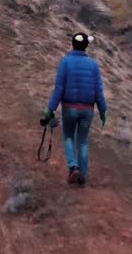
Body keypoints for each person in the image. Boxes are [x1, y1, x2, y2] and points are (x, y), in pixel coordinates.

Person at [42, 32, 108, 186]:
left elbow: (59, 89)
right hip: (88, 110)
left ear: (72, 44)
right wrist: (103, 111)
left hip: (69, 108)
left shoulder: (65, 62)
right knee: (83, 142)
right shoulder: (93, 65)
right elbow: (99, 90)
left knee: (68, 137)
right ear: (86, 47)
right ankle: (82, 177)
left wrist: (49, 109)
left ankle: (73, 167)